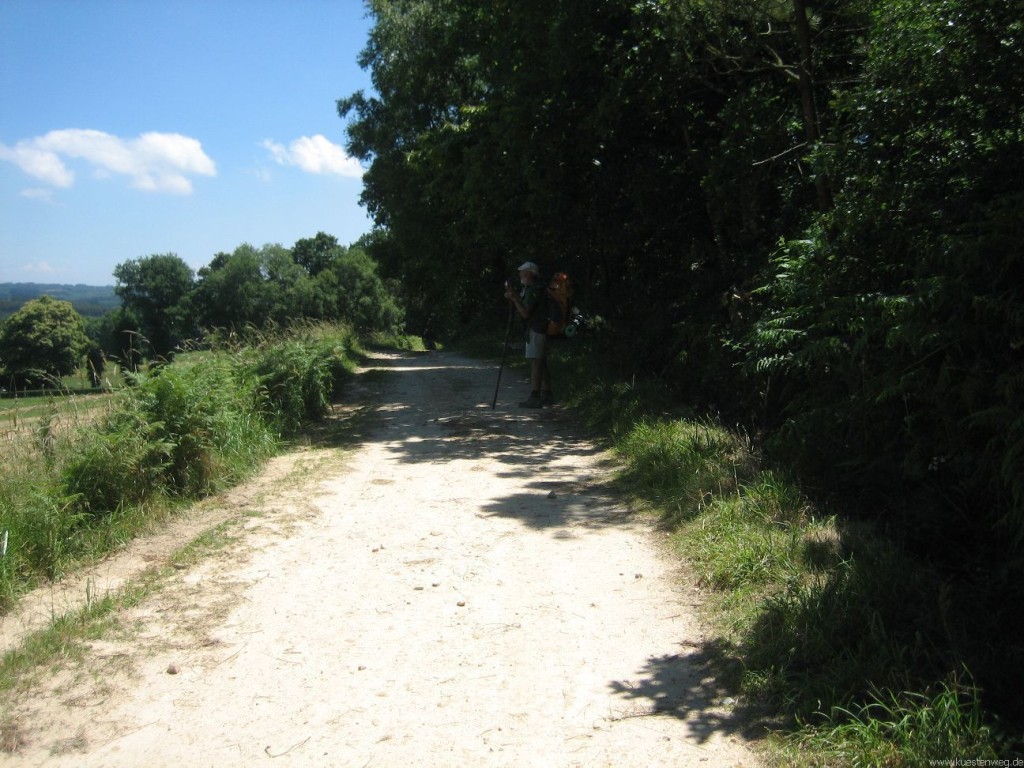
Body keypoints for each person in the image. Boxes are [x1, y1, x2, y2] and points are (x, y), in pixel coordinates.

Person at [504, 261, 554, 408]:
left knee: (536, 362)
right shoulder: (533, 289)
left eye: (522, 272)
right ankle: (547, 394)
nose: (520, 274)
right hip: (540, 328)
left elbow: (525, 313)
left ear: (530, 274)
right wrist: (514, 296)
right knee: (541, 362)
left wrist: (514, 299)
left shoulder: (534, 290)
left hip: (537, 329)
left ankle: (535, 396)